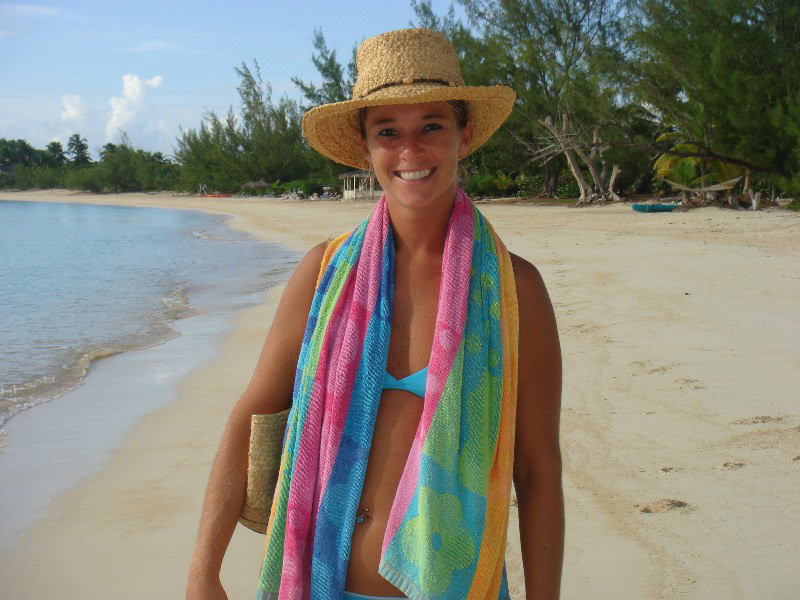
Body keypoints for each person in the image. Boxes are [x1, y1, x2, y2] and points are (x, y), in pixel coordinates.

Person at [186, 28, 563, 600]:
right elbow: (252, 416)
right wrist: (203, 572)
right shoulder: (322, 275)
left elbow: (537, 472)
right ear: (366, 148)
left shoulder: (515, 292)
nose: (410, 151)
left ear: (464, 134)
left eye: (431, 126)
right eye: (389, 132)